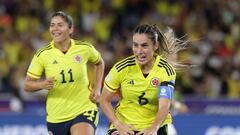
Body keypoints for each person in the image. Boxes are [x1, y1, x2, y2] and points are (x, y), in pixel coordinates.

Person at [24, 11, 104, 135]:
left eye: (60, 25)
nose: (55, 29)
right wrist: (42, 85)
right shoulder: (42, 54)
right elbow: (27, 85)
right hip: (56, 115)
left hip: (84, 108)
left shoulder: (84, 48)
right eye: (52, 25)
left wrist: (98, 88)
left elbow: (99, 63)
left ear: (70, 29)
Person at [100, 24, 188, 135]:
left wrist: (154, 128)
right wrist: (118, 124)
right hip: (125, 124)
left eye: (144, 46)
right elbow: (104, 100)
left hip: (155, 125)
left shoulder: (166, 70)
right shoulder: (121, 68)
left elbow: (164, 106)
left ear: (155, 45)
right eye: (135, 45)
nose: (139, 51)